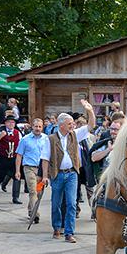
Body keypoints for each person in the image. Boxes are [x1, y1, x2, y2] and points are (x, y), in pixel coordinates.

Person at [40, 100, 95, 243]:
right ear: (61, 125)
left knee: (71, 203)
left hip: (72, 174)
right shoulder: (50, 139)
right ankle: (57, 227)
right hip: (57, 174)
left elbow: (91, 125)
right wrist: (45, 176)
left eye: (73, 123)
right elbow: (45, 158)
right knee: (56, 204)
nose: (73, 125)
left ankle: (69, 233)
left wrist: (89, 110)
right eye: (70, 124)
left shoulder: (75, 134)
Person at [14, 118, 48, 222]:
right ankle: (35, 214)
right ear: (32, 127)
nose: (37, 128)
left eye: (39, 126)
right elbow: (19, 155)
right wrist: (17, 171)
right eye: (35, 126)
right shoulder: (25, 139)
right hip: (29, 168)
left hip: (42, 169)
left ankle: (30, 210)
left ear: (42, 127)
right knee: (32, 191)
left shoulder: (46, 139)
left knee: (38, 192)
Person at [0, 115, 23, 204]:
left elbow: (21, 145)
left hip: (14, 158)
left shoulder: (18, 133)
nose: (11, 124)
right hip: (3, 159)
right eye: (9, 122)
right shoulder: (0, 132)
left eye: (13, 122)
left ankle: (15, 197)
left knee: (17, 177)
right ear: (5, 123)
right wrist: (1, 136)